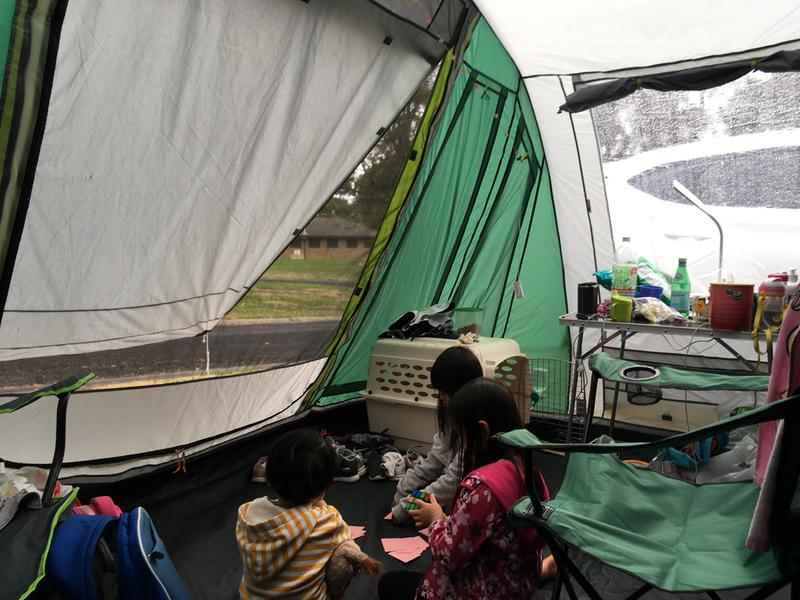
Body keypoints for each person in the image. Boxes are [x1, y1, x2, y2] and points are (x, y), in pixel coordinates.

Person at [379, 378, 554, 600]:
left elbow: (449, 557)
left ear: (482, 431)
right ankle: (546, 568)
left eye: (462, 436)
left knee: (390, 585)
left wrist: (436, 520)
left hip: (482, 591)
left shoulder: (482, 489)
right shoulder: (529, 470)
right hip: (517, 583)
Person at [236, 429, 381, 599]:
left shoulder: (248, 513)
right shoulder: (327, 520)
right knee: (342, 554)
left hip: (249, 596)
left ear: (268, 477)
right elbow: (345, 545)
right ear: (326, 484)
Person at [390, 345, 484, 524]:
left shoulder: (472, 435)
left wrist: (405, 507)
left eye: (445, 392)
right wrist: (403, 489)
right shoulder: (451, 420)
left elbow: (450, 484)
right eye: (439, 392)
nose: (441, 398)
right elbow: (432, 462)